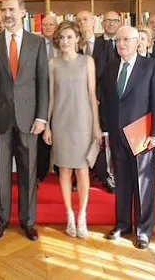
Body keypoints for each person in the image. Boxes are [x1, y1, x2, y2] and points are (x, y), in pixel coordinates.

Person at [0, 0, 49, 242]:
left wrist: (42, 117)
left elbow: (44, 82)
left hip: (30, 120)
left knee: (28, 173)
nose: (6, 15)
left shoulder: (37, 43)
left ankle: (28, 222)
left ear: (22, 12)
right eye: (3, 10)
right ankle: (2, 220)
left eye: (11, 10)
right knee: (0, 173)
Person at [101, 26, 155, 249]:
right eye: (118, 40)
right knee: (122, 183)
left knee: (143, 185)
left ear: (138, 41)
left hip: (142, 134)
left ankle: (144, 230)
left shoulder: (152, 67)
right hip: (117, 135)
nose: (121, 44)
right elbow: (108, 102)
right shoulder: (110, 69)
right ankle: (122, 224)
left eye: (126, 39)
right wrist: (106, 131)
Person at [43, 22, 101, 239]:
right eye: (62, 37)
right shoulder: (53, 63)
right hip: (60, 120)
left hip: (83, 121)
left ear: (77, 39)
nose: (65, 41)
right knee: (65, 170)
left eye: (69, 37)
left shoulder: (87, 61)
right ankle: (69, 214)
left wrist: (96, 126)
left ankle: (82, 216)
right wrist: (47, 125)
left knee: (82, 169)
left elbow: (92, 96)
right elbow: (51, 96)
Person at [90, 11, 120, 194]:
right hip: (99, 99)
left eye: (114, 20)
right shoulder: (96, 44)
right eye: (107, 20)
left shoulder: (125, 42)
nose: (110, 24)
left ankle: (117, 175)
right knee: (101, 138)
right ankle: (103, 174)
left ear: (120, 22)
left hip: (121, 99)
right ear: (102, 22)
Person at [37, 14, 58, 182]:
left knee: (60, 134)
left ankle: (60, 169)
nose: (48, 27)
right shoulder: (35, 45)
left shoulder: (64, 44)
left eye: (51, 24)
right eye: (45, 25)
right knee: (42, 134)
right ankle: (41, 172)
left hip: (61, 95)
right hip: (40, 95)